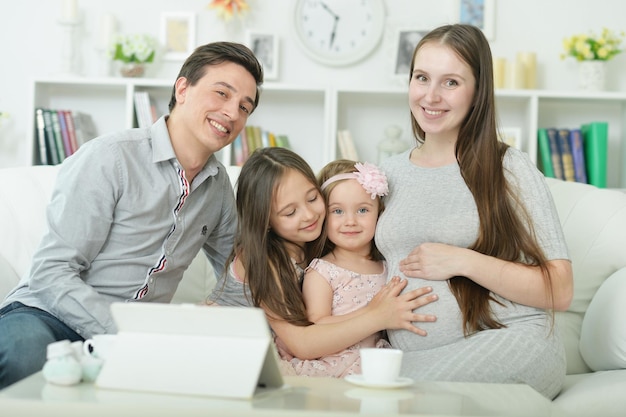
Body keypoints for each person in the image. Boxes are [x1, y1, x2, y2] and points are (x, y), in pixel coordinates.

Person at [0, 41, 264, 389]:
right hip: (48, 317)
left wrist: (205, 322)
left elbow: (240, 272)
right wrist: (125, 333)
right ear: (182, 88)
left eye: (244, 106)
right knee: (25, 353)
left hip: (141, 339)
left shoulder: (218, 190)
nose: (232, 113)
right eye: (221, 94)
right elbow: (52, 272)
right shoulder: (111, 158)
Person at [375, 24, 574, 399]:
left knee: (395, 392)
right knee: (367, 384)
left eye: (451, 82)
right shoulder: (386, 173)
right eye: (422, 78)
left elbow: (560, 289)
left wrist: (463, 261)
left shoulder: (507, 167)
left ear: (478, 91)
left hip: (509, 341)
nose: (431, 96)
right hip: (413, 355)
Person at [208, 147, 438, 370]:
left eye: (312, 198)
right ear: (265, 221)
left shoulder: (312, 245)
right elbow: (304, 344)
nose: (309, 215)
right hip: (214, 347)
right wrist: (377, 315)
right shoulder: (262, 259)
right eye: (290, 212)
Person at [285, 159, 392, 377]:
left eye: (362, 210)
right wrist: (373, 314)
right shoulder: (322, 271)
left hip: (374, 362)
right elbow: (317, 323)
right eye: (338, 211)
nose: (350, 221)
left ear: (380, 212)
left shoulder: (387, 266)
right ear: (324, 215)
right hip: (335, 363)